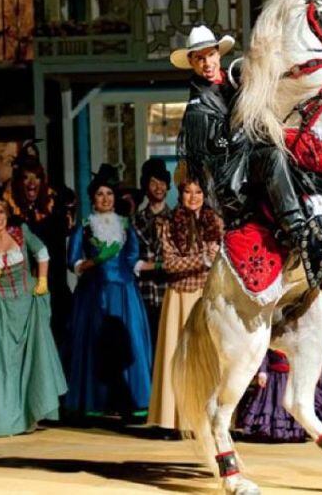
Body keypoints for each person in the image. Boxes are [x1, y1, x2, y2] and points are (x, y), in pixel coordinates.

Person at [172, 24, 322, 289]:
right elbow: (220, 146)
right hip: (234, 177)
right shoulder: (196, 108)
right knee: (273, 156)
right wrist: (248, 115)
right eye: (199, 58)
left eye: (210, 54)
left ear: (218, 54)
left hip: (250, 157)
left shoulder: (233, 80)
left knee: (300, 148)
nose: (207, 63)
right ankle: (298, 233)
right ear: (191, 62)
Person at [0, 199, 67, 436]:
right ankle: (1, 419)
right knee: (1, 365)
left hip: (27, 305)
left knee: (31, 361)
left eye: (1, 212)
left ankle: (29, 416)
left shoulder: (20, 233)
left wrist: (42, 280)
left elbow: (42, 252)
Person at [65, 164, 153, 419]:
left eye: (109, 194)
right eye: (100, 194)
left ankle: (134, 400)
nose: (105, 199)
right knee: (93, 344)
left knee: (130, 343)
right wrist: (96, 261)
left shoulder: (126, 225)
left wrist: (158, 265)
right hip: (94, 294)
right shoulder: (84, 226)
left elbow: (134, 258)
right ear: (93, 198)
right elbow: (74, 262)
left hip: (124, 294)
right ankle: (96, 400)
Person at [148, 174, 223, 432]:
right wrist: (203, 259)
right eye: (188, 192)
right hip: (180, 296)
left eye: (198, 192)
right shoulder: (167, 223)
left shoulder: (215, 222)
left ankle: (206, 420)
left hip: (208, 296)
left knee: (207, 358)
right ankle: (172, 419)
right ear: (180, 194)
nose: (193, 197)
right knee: (177, 357)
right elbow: (170, 264)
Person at [3, 141, 73, 352]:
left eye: (36, 177)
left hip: (52, 291)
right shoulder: (12, 217)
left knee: (55, 345)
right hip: (21, 292)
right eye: (26, 178)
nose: (31, 183)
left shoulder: (56, 212)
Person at [236, 349, 322, 442]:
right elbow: (263, 357)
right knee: (273, 405)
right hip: (273, 381)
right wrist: (262, 372)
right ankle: (271, 433)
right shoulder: (270, 342)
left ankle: (296, 433)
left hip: (292, 377)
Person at [133, 158, 173, 348]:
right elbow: (133, 261)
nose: (158, 187)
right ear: (145, 185)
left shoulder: (177, 219)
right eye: (153, 182)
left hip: (170, 293)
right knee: (146, 345)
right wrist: (160, 265)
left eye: (162, 182)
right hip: (145, 293)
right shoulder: (135, 221)